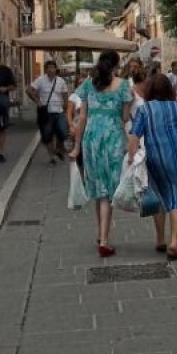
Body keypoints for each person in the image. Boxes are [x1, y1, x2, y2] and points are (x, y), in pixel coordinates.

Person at [128, 73, 177, 260]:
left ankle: (160, 239)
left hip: (156, 155)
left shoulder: (144, 109)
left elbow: (134, 136)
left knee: (159, 195)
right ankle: (174, 241)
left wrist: (132, 157)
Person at [69, 50, 132, 257]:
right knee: (107, 192)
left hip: (92, 139)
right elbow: (124, 117)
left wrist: (77, 147)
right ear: (116, 65)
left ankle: (100, 233)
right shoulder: (123, 85)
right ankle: (104, 241)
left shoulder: (88, 84)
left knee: (98, 189)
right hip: (113, 137)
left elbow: (82, 118)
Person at [26, 59, 70, 164]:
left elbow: (65, 94)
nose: (51, 70)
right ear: (45, 69)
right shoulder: (40, 80)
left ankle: (59, 148)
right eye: (48, 68)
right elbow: (28, 90)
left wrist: (66, 105)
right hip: (46, 112)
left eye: (52, 67)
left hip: (59, 111)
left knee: (63, 132)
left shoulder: (61, 81)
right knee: (47, 135)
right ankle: (52, 157)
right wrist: (38, 102)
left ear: (56, 69)